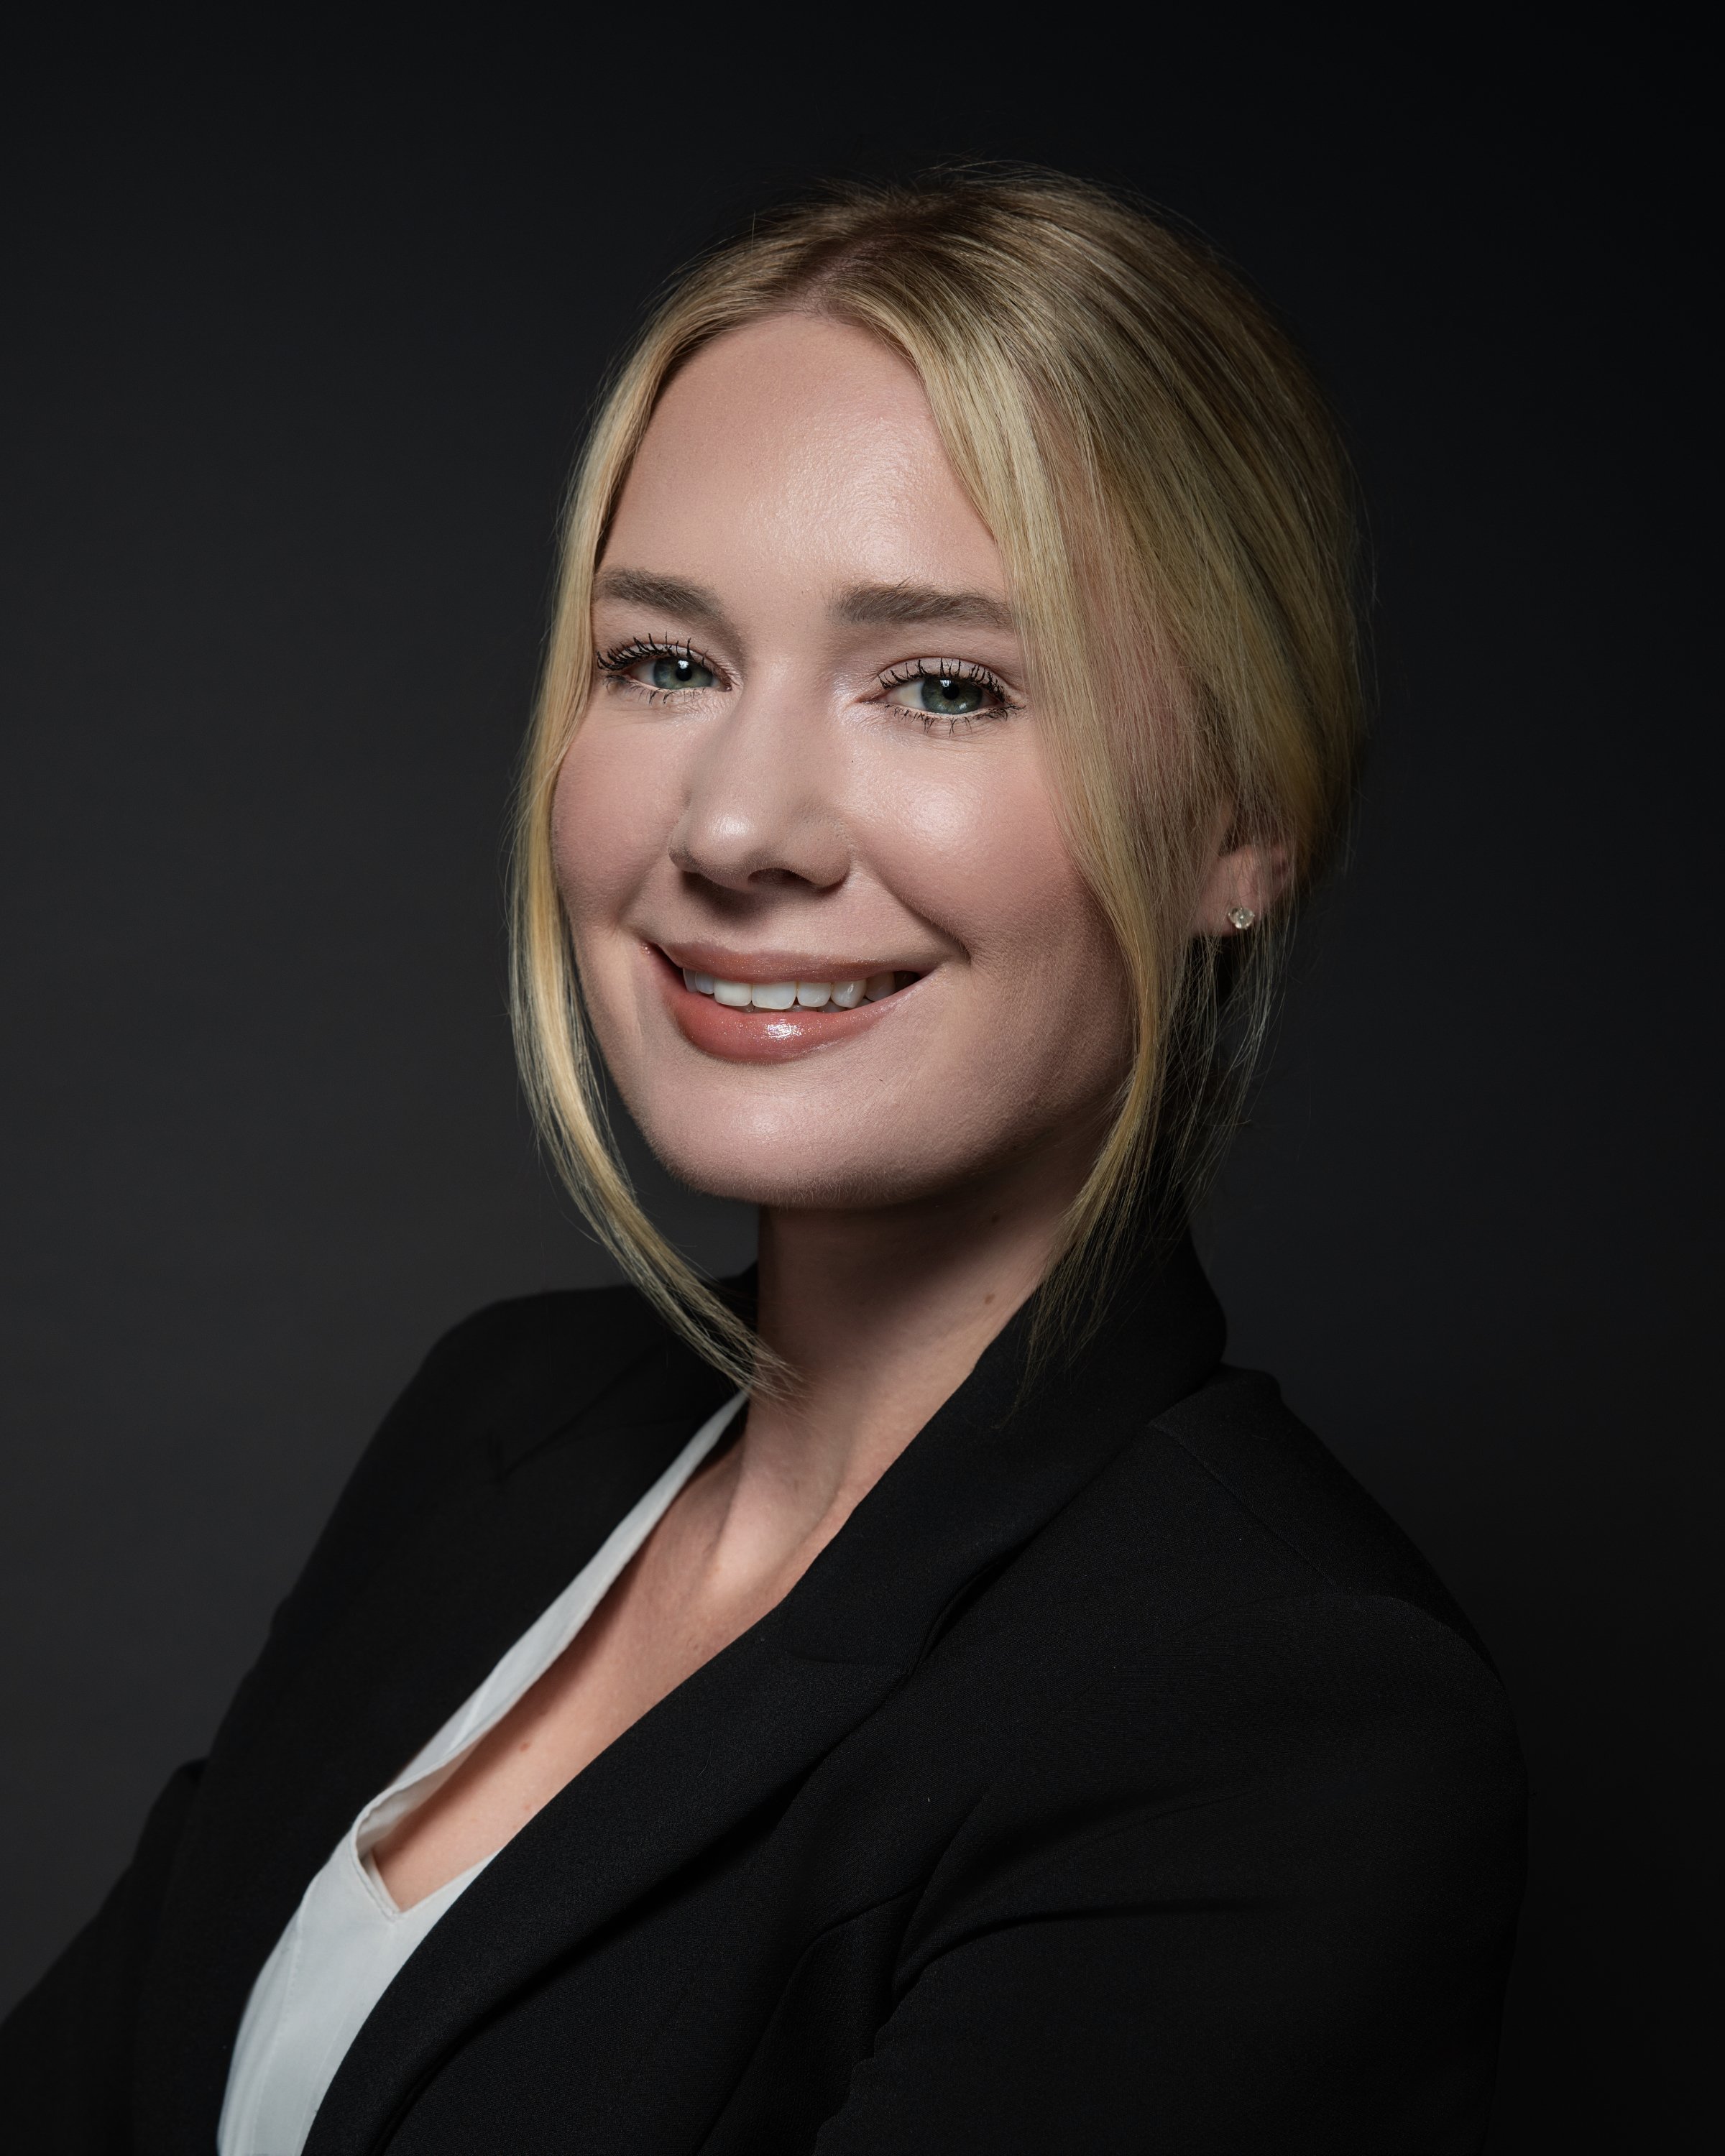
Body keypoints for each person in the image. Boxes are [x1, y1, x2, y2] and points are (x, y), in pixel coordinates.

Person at [0, 169, 1525, 2153]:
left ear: (1241, 822)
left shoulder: (1271, 1719)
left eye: (944, 685)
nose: (732, 827)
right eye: (666, 662)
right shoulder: (504, 1420)